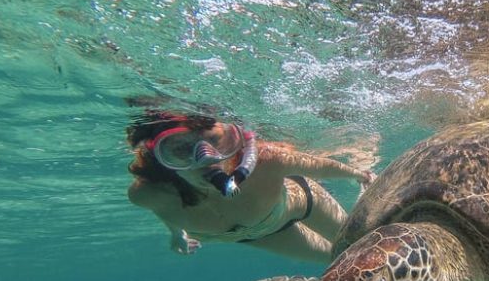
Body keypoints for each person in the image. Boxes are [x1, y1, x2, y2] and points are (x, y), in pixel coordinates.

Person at [126, 111, 375, 262]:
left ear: (233, 138)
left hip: (303, 204)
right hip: (263, 235)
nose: (206, 158)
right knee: (339, 259)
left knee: (361, 249)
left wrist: (358, 174)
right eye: (179, 150)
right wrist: (176, 234)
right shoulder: (147, 194)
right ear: (160, 158)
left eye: (214, 141)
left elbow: (320, 166)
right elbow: (163, 210)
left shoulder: (266, 160)